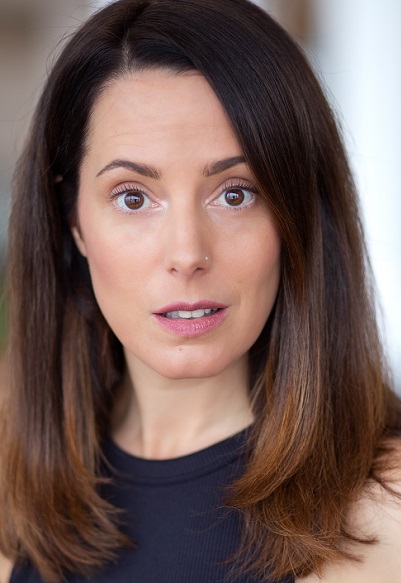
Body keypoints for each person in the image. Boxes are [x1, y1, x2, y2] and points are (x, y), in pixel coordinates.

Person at [1, 0, 401, 581]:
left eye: (235, 194)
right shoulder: (15, 491)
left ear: (297, 215)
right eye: (133, 197)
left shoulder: (386, 511)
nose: (187, 253)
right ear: (74, 222)